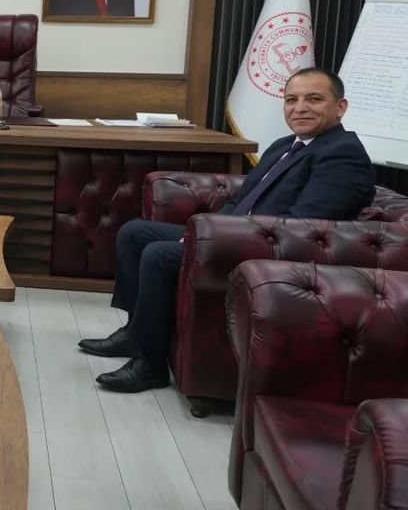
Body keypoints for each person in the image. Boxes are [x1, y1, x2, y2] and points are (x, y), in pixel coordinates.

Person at [80, 67, 374, 392]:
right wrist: (205, 232)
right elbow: (241, 201)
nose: (300, 108)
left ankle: (150, 365)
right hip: (235, 235)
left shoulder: (342, 154)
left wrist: (215, 238)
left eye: (314, 99)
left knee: (159, 255)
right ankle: (135, 332)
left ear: (340, 107)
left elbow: (304, 229)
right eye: (291, 100)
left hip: (271, 253)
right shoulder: (285, 145)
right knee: (134, 233)